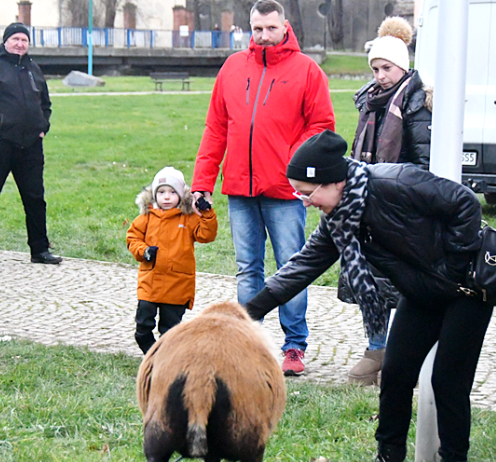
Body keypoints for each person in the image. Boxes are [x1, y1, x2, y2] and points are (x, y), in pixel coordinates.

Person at [245, 130, 494, 462]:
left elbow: (463, 202)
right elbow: (302, 267)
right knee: (394, 375)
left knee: (448, 381)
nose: (305, 201)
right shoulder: (339, 219)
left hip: (466, 292)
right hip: (422, 293)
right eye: (299, 193)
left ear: (335, 181)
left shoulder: (394, 182)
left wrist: (454, 265)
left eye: (308, 192)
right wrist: (247, 313)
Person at [192, 0, 335, 376]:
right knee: (247, 270)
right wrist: (202, 183)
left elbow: (321, 126)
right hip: (240, 188)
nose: (264, 36)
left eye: (271, 28)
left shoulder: (307, 71)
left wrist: (295, 166)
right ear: (249, 27)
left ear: (285, 26)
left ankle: (293, 346)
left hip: (286, 192)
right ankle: (247, 342)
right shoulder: (232, 68)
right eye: (257, 29)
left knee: (292, 267)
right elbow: (215, 128)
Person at [345, 16, 433, 385]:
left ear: (402, 66)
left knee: (399, 283)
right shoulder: (369, 103)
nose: (380, 75)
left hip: (402, 205)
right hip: (369, 203)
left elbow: (424, 160)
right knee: (369, 281)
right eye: (376, 68)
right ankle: (376, 346)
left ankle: (398, 353)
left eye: (387, 68)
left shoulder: (416, 103)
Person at [0, 22, 61, 264]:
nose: (20, 44)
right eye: (15, 39)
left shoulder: (34, 69)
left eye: (24, 40)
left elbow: (45, 104)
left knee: (35, 198)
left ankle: (39, 249)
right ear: (6, 41)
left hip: (31, 144)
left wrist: (43, 128)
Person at [126, 167, 218, 353]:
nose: (166, 197)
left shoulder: (189, 218)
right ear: (154, 194)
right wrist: (144, 251)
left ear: (181, 195)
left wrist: (207, 214)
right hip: (150, 282)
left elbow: (206, 236)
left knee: (170, 331)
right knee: (142, 328)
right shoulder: (146, 217)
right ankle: (153, 354)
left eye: (172, 192)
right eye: (161, 192)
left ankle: (164, 358)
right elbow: (133, 238)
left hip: (177, 284)